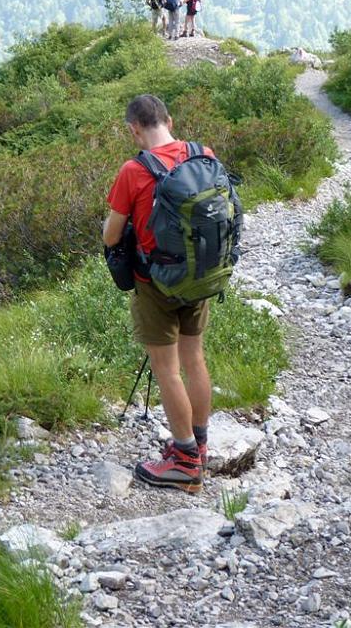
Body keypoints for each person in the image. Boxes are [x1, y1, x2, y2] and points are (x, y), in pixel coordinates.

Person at [103, 94, 214, 494]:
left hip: (156, 284)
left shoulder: (133, 171)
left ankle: (183, 462)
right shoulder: (202, 154)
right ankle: (199, 446)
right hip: (201, 275)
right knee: (195, 359)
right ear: (169, 119)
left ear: (133, 129)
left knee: (167, 370)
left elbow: (111, 235)